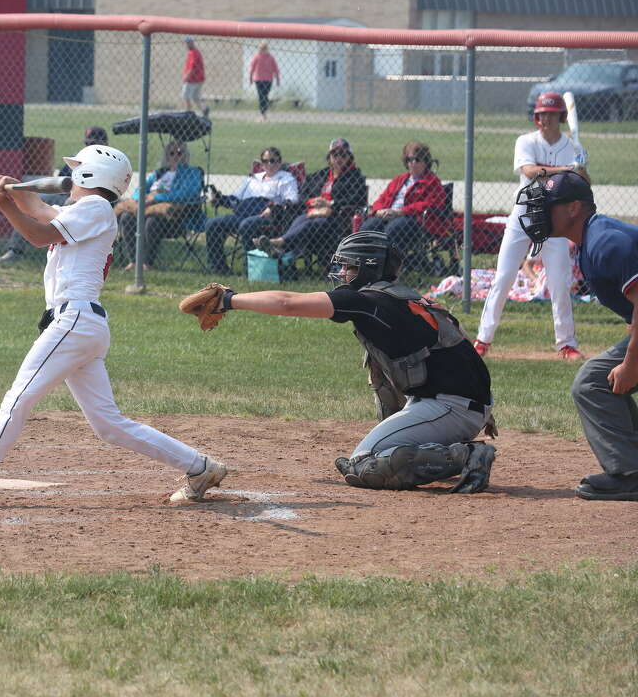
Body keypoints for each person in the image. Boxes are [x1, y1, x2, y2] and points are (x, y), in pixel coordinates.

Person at [0, 144, 227, 511]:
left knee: (17, 400)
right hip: (81, 324)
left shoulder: (96, 208)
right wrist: (14, 189)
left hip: (74, 321)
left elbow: (39, 234)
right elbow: (40, 210)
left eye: (77, 169)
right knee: (108, 425)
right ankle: (201, 468)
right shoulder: (86, 210)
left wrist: (3, 203)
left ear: (91, 174)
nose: (70, 176)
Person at [194, 230, 496, 492]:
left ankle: (465, 456)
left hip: (450, 406)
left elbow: (287, 303)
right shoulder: (404, 297)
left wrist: (230, 300)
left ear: (368, 268)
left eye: (349, 266)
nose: (343, 273)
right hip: (455, 403)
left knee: (364, 465)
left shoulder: (369, 301)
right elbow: (455, 346)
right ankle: (431, 445)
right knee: (376, 371)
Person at [516, 171, 638, 500]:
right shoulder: (591, 240)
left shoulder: (605, 242)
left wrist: (630, 364)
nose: (539, 213)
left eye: (548, 205)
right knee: (596, 379)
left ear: (573, 209)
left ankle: (630, 474)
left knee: (593, 381)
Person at [474, 92, 584, 360]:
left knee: (560, 282)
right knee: (503, 278)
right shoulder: (525, 141)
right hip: (524, 216)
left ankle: (566, 344)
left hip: (555, 223)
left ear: (561, 117)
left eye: (552, 114)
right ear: (537, 118)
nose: (546, 119)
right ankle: (483, 340)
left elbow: (578, 185)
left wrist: (580, 169)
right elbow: (529, 171)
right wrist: (565, 170)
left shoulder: (573, 148)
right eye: (542, 114)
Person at [0, 126, 108, 264]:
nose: (90, 146)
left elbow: (39, 237)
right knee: (39, 203)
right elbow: (61, 183)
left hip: (84, 201)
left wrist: (3, 203)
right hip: (66, 196)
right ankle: (15, 250)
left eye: (94, 143)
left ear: (105, 143)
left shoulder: (107, 164)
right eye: (88, 143)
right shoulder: (79, 159)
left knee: (53, 206)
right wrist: (14, 195)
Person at [258, 138, 366, 264]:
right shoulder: (323, 174)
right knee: (300, 219)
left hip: (336, 218)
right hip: (313, 213)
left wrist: (330, 205)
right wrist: (313, 202)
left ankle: (280, 243)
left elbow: (357, 200)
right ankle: (282, 249)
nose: (338, 158)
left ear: (349, 157)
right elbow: (304, 194)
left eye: (343, 154)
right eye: (335, 154)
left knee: (309, 223)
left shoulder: (355, 177)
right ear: (329, 157)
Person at [204, 146, 298, 274]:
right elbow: (235, 199)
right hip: (244, 214)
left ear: (279, 162)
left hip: (267, 218)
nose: (269, 164)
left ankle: (251, 269)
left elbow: (292, 200)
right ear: (262, 164)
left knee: (246, 225)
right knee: (213, 224)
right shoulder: (253, 178)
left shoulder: (286, 178)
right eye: (265, 161)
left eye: (273, 161)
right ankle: (219, 268)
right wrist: (220, 200)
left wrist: (273, 208)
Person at [114, 139, 202, 269]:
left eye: (180, 153)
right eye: (172, 153)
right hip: (145, 207)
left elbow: (189, 193)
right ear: (167, 155)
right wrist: (141, 199)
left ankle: (146, 263)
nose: (176, 156)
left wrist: (158, 198)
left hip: (173, 217)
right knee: (126, 217)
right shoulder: (158, 173)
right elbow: (139, 190)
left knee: (152, 221)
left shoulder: (192, 172)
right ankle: (134, 261)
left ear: (185, 155)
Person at [359, 141, 445, 259]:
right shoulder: (400, 179)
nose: (413, 163)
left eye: (417, 159)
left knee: (392, 230)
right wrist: (378, 211)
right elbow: (382, 198)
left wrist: (400, 212)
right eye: (409, 160)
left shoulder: (432, 181)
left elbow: (431, 204)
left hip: (412, 218)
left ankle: (388, 270)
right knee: (367, 228)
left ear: (425, 162)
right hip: (388, 214)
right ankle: (366, 266)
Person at [248, 41, 280, 122]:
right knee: (262, 96)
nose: (262, 50)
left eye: (264, 48)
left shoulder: (270, 57)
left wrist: (277, 79)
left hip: (268, 80)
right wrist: (250, 78)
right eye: (261, 48)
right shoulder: (257, 57)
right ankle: (263, 114)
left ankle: (263, 114)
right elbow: (252, 68)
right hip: (259, 80)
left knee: (264, 96)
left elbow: (275, 68)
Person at [181, 37, 207, 116]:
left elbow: (192, 68)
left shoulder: (193, 53)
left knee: (185, 96)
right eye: (186, 43)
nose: (187, 44)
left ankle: (187, 113)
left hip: (192, 79)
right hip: (198, 79)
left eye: (188, 42)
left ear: (192, 42)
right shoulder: (194, 52)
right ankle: (204, 109)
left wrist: (186, 76)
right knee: (195, 97)